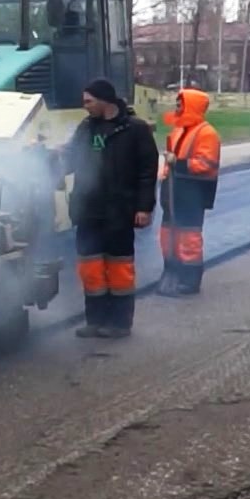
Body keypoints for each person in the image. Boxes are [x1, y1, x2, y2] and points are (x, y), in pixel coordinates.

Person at [62, 78, 159, 339]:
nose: (85, 107)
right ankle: (95, 320)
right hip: (88, 209)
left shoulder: (135, 130)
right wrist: (41, 161)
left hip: (120, 210)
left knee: (118, 269)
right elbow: (69, 159)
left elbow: (147, 173)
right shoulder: (86, 128)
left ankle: (119, 323)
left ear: (105, 100)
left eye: (88, 101)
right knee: (90, 268)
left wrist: (144, 207)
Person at [158, 87, 222, 295]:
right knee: (168, 234)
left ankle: (190, 279)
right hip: (173, 191)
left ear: (191, 106)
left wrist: (177, 162)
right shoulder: (179, 130)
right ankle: (172, 272)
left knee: (188, 237)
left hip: (192, 193)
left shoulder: (207, 133)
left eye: (180, 103)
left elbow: (207, 163)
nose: (176, 107)